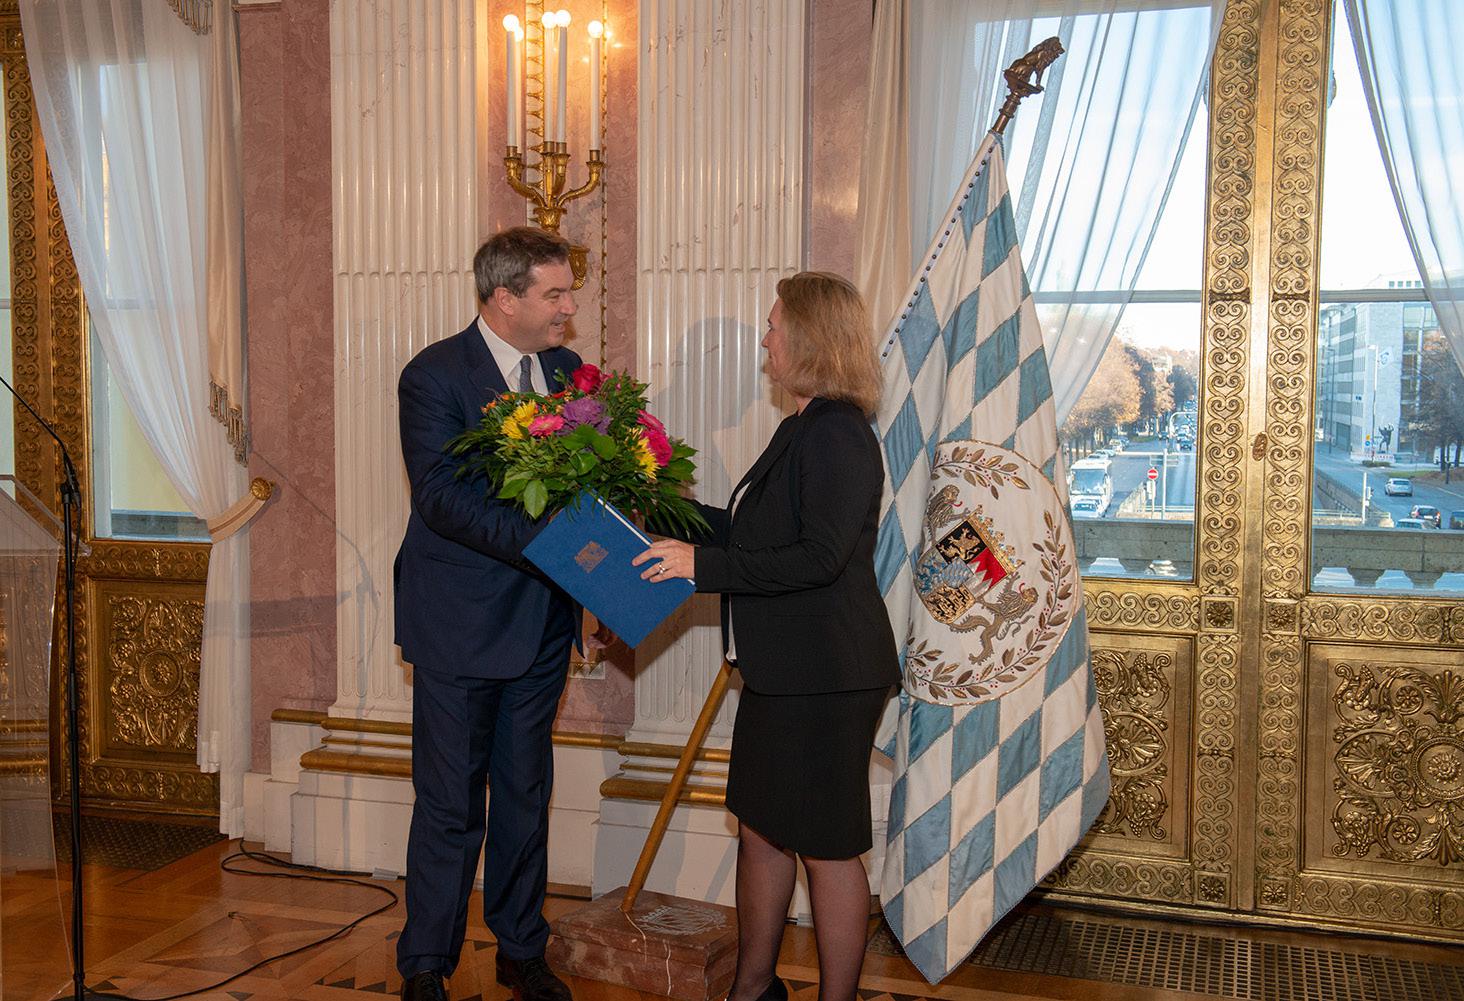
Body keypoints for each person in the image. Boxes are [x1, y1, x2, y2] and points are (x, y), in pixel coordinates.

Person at [633, 272, 900, 1001]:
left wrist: (700, 566)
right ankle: (753, 989)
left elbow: (819, 557)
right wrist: (659, 507)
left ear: (810, 337)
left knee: (827, 847)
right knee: (761, 829)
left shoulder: (838, 432)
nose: (765, 339)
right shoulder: (802, 427)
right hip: (785, 672)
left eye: (775, 325)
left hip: (827, 675)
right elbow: (753, 533)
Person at [394, 227, 582, 1001]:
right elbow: (442, 500)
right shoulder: (435, 374)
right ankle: (425, 964)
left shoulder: (567, 373)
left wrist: (601, 583)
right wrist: (556, 548)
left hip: (542, 626)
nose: (568, 308)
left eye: (568, 292)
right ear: (504, 297)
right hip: (458, 625)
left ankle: (520, 948)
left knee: (525, 795)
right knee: (449, 803)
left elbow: (587, 492)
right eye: (555, 294)